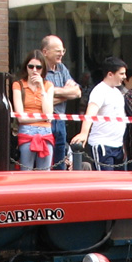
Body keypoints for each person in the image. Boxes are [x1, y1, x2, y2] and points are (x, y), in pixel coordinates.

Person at [70, 57, 128, 171]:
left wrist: (123, 146)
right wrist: (84, 133)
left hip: (118, 145)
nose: (124, 77)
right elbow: (90, 113)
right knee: (106, 183)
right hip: (102, 144)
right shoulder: (99, 91)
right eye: (121, 73)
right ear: (110, 74)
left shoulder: (117, 92)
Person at [11, 50, 55, 170]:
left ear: (43, 69)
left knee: (45, 173)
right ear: (26, 67)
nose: (34, 70)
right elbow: (21, 117)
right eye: (31, 66)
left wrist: (41, 87)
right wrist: (43, 117)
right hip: (27, 132)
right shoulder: (18, 85)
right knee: (26, 171)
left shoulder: (48, 86)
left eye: (38, 67)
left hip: (46, 132)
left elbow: (49, 113)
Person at [41, 36, 81, 170]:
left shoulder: (61, 68)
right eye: (57, 50)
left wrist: (51, 93)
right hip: (44, 121)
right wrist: (66, 93)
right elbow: (38, 100)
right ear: (45, 52)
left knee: (60, 160)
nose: (61, 54)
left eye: (63, 50)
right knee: (44, 161)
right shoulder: (38, 69)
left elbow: (77, 92)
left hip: (61, 121)